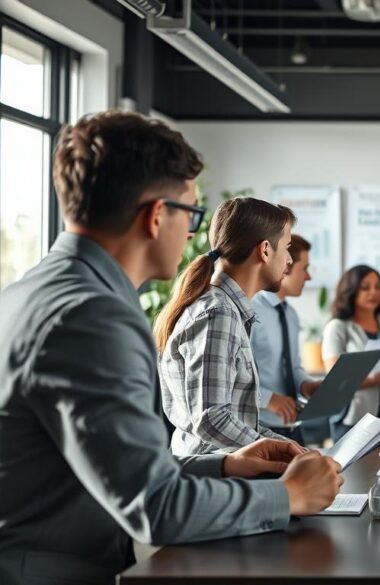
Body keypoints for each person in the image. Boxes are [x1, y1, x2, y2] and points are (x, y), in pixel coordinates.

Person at [0, 111, 340, 585]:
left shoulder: (35, 289)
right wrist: (289, 497)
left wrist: (225, 464)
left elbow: (113, 466)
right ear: (157, 216)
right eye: (192, 214)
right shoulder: (92, 318)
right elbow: (154, 505)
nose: (194, 235)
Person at [156, 197, 297, 456]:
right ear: (265, 250)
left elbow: (239, 423)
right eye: (287, 247)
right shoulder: (218, 313)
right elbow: (212, 420)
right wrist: (281, 452)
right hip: (212, 482)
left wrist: (293, 449)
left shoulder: (225, 309)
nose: (289, 260)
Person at [250, 234, 323, 443]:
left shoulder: (290, 314)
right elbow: (234, 375)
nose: (308, 277)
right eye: (305, 269)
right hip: (258, 426)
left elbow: (292, 365)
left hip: (291, 424)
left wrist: (305, 386)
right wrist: (269, 399)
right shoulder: (250, 311)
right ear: (286, 266)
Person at [322, 265, 380, 436]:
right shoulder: (338, 327)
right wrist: (373, 379)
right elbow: (334, 379)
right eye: (365, 287)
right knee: (357, 464)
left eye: (378, 287)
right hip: (354, 418)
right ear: (351, 290)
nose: (373, 292)